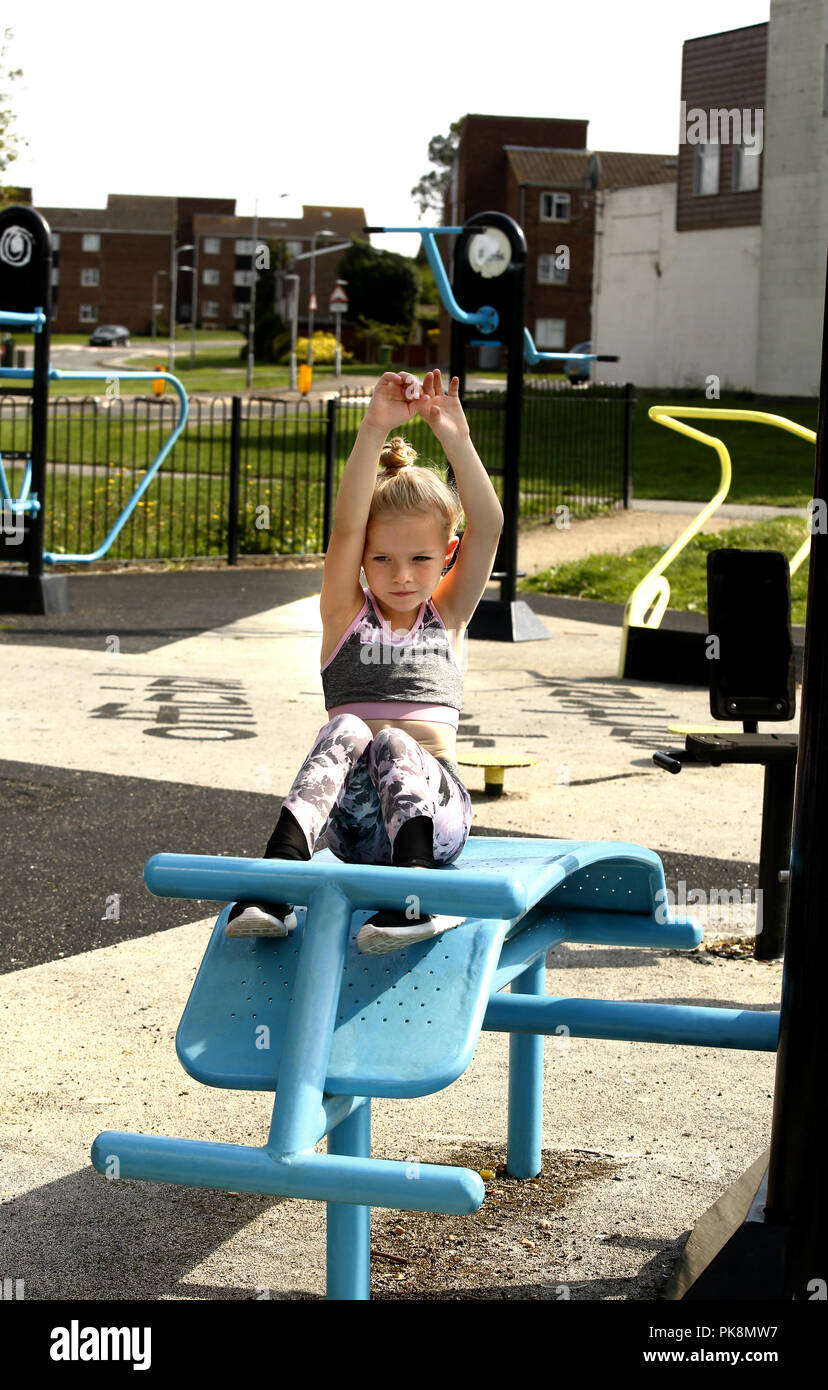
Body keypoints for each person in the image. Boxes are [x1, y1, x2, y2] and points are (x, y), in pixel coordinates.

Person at [225, 368, 504, 954]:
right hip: (354, 825)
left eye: (420, 559)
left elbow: (490, 525)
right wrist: (375, 426)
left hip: (436, 820)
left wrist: (454, 435)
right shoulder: (344, 616)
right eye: (381, 559)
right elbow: (346, 524)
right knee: (349, 728)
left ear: (448, 555)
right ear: (360, 560)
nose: (401, 576)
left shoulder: (446, 617)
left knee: (396, 742)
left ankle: (418, 895)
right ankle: (274, 883)